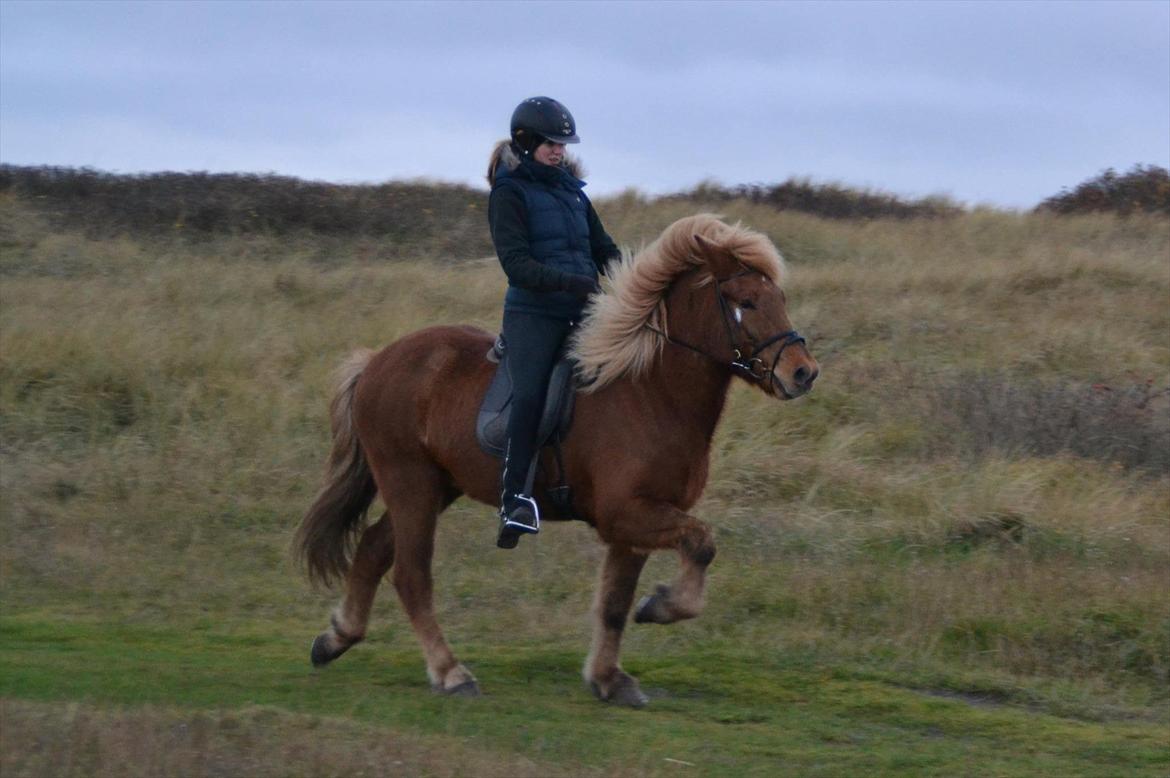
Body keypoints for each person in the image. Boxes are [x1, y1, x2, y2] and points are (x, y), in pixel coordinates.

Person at [485, 96, 620, 549]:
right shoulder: (509, 194)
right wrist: (571, 284)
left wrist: (637, 279)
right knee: (530, 397)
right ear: (525, 143)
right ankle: (514, 500)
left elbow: (603, 249)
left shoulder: (573, 192)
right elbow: (517, 265)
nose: (559, 151)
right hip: (533, 314)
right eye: (550, 143)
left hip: (582, 309)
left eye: (563, 144)